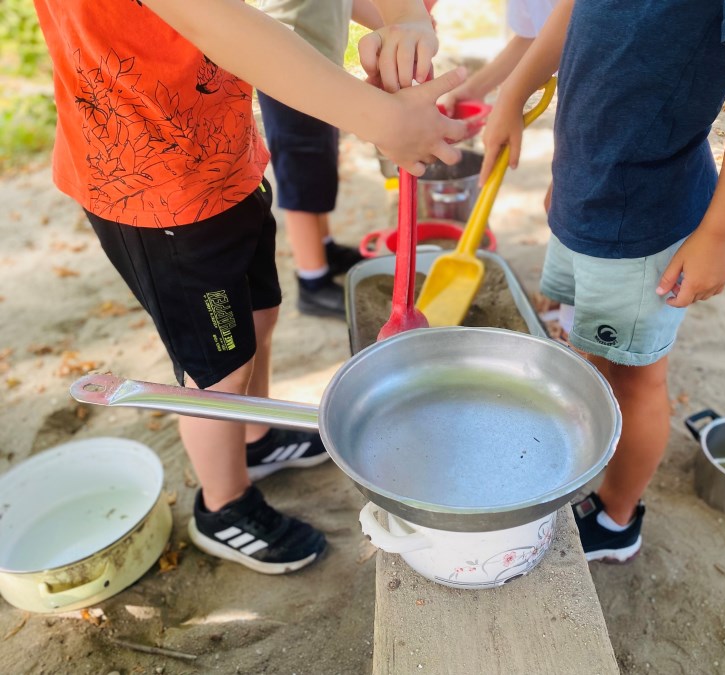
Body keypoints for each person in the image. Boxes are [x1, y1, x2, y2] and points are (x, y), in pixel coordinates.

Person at [32, 0, 467, 574]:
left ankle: (256, 437)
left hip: (223, 159)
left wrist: (403, 14)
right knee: (218, 370)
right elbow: (216, 21)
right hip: (155, 190)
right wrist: (384, 121)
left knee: (260, 313)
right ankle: (223, 505)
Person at [481, 0, 725, 562]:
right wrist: (513, 92)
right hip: (586, 185)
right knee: (587, 343)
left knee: (636, 378)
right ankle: (579, 445)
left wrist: (720, 233)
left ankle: (616, 517)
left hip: (643, 215)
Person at [256, 0, 383, 318]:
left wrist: (396, 22)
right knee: (301, 173)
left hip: (320, 67)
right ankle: (312, 279)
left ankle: (323, 247)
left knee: (319, 166)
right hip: (288, 63)